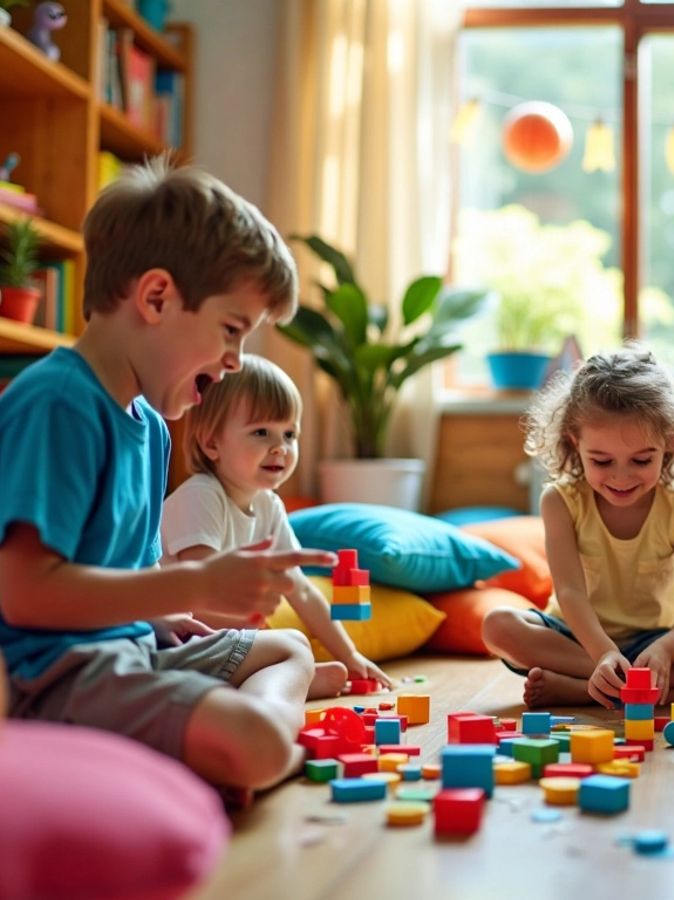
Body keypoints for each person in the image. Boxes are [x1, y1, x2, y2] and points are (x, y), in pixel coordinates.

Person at [0, 158, 337, 794]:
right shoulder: (59, 403)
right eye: (232, 331)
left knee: (286, 651)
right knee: (257, 741)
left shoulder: (152, 427)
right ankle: (261, 746)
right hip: (58, 673)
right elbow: (25, 594)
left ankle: (240, 739)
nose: (236, 361)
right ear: (157, 298)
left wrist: (167, 619)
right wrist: (195, 582)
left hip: (132, 650)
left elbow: (134, 572)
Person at [482, 346, 674, 710]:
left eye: (641, 460)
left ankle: (578, 690)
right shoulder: (560, 501)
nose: (621, 477)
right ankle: (660, 692)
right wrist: (603, 652)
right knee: (498, 625)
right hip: (574, 638)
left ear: (669, 443)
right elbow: (570, 592)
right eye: (601, 460)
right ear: (575, 443)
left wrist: (665, 651)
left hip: (653, 642)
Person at [161, 354, 391, 700]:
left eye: (290, 433)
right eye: (261, 432)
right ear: (212, 443)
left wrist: (350, 653)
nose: (280, 447)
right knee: (291, 647)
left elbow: (301, 590)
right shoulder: (201, 497)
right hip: (180, 641)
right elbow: (199, 589)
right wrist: (248, 620)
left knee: (331, 670)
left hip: (230, 640)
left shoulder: (270, 505)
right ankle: (252, 686)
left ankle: (261, 681)